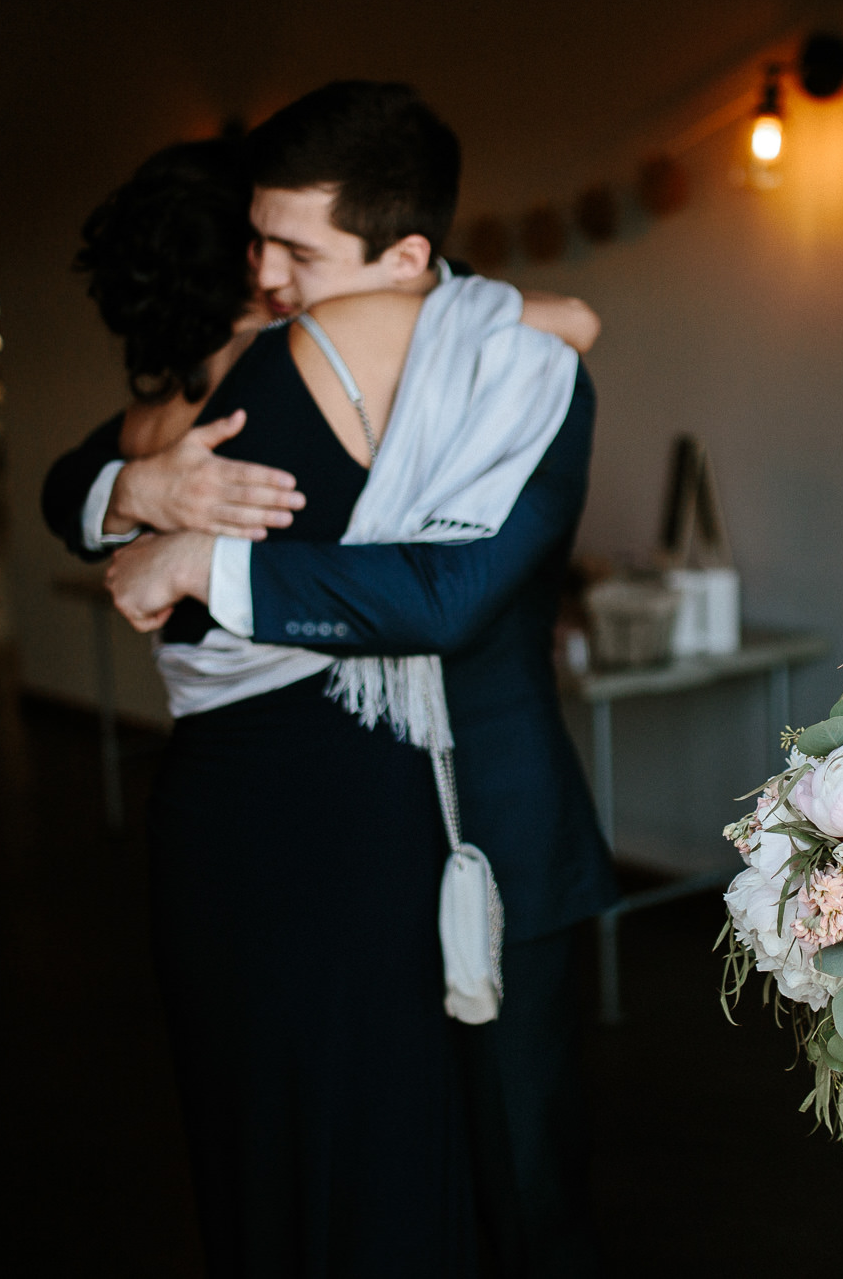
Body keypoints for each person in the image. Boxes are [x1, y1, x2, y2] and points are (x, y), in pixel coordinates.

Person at [43, 85, 614, 1277]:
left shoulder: (517, 365)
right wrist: (136, 495)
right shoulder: (251, 377)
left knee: (525, 1185)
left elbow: (451, 598)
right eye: (254, 244)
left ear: (402, 257)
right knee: (372, 1166)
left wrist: (203, 552)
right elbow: (82, 477)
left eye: (294, 250)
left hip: (495, 828)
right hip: (353, 849)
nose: (266, 276)